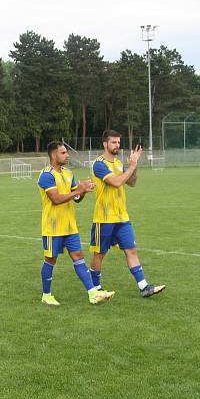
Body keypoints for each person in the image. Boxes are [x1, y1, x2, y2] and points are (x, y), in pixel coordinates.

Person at [89, 130, 166, 298]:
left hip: (122, 217)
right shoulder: (99, 164)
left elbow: (131, 182)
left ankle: (144, 286)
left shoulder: (118, 163)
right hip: (104, 218)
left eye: (118, 142)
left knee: (131, 250)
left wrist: (134, 164)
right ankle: (96, 288)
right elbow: (117, 182)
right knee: (99, 254)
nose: (117, 145)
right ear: (105, 144)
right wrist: (130, 166)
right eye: (113, 142)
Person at [38, 141, 114, 306]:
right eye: (63, 152)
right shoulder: (46, 175)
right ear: (53, 155)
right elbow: (56, 199)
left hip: (70, 227)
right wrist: (78, 190)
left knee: (78, 256)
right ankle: (46, 295)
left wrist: (83, 190)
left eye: (66, 152)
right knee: (50, 260)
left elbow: (76, 198)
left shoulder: (68, 173)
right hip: (53, 227)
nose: (67, 155)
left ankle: (92, 293)